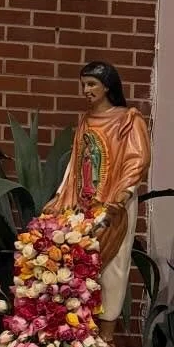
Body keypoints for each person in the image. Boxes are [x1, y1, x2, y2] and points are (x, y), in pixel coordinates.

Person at [47, 60, 151, 323]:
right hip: (83, 203)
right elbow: (74, 165)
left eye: (91, 84)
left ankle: (106, 335)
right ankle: (81, 330)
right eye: (83, 85)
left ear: (107, 86)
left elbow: (136, 158)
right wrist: (60, 198)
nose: (86, 90)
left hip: (115, 204)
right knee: (79, 264)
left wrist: (123, 194)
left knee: (113, 268)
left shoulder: (128, 119)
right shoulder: (86, 121)